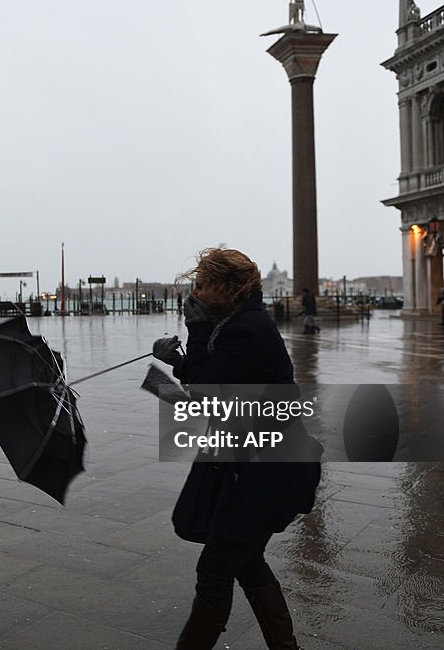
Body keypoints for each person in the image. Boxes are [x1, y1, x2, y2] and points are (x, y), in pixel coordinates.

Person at [152, 248, 320, 650]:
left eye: (203, 285)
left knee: (216, 567)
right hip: (255, 464)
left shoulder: (246, 329)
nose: (195, 293)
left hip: (265, 469)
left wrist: (191, 336)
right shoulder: (236, 323)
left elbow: (210, 393)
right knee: (245, 560)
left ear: (228, 288)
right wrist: (175, 364)